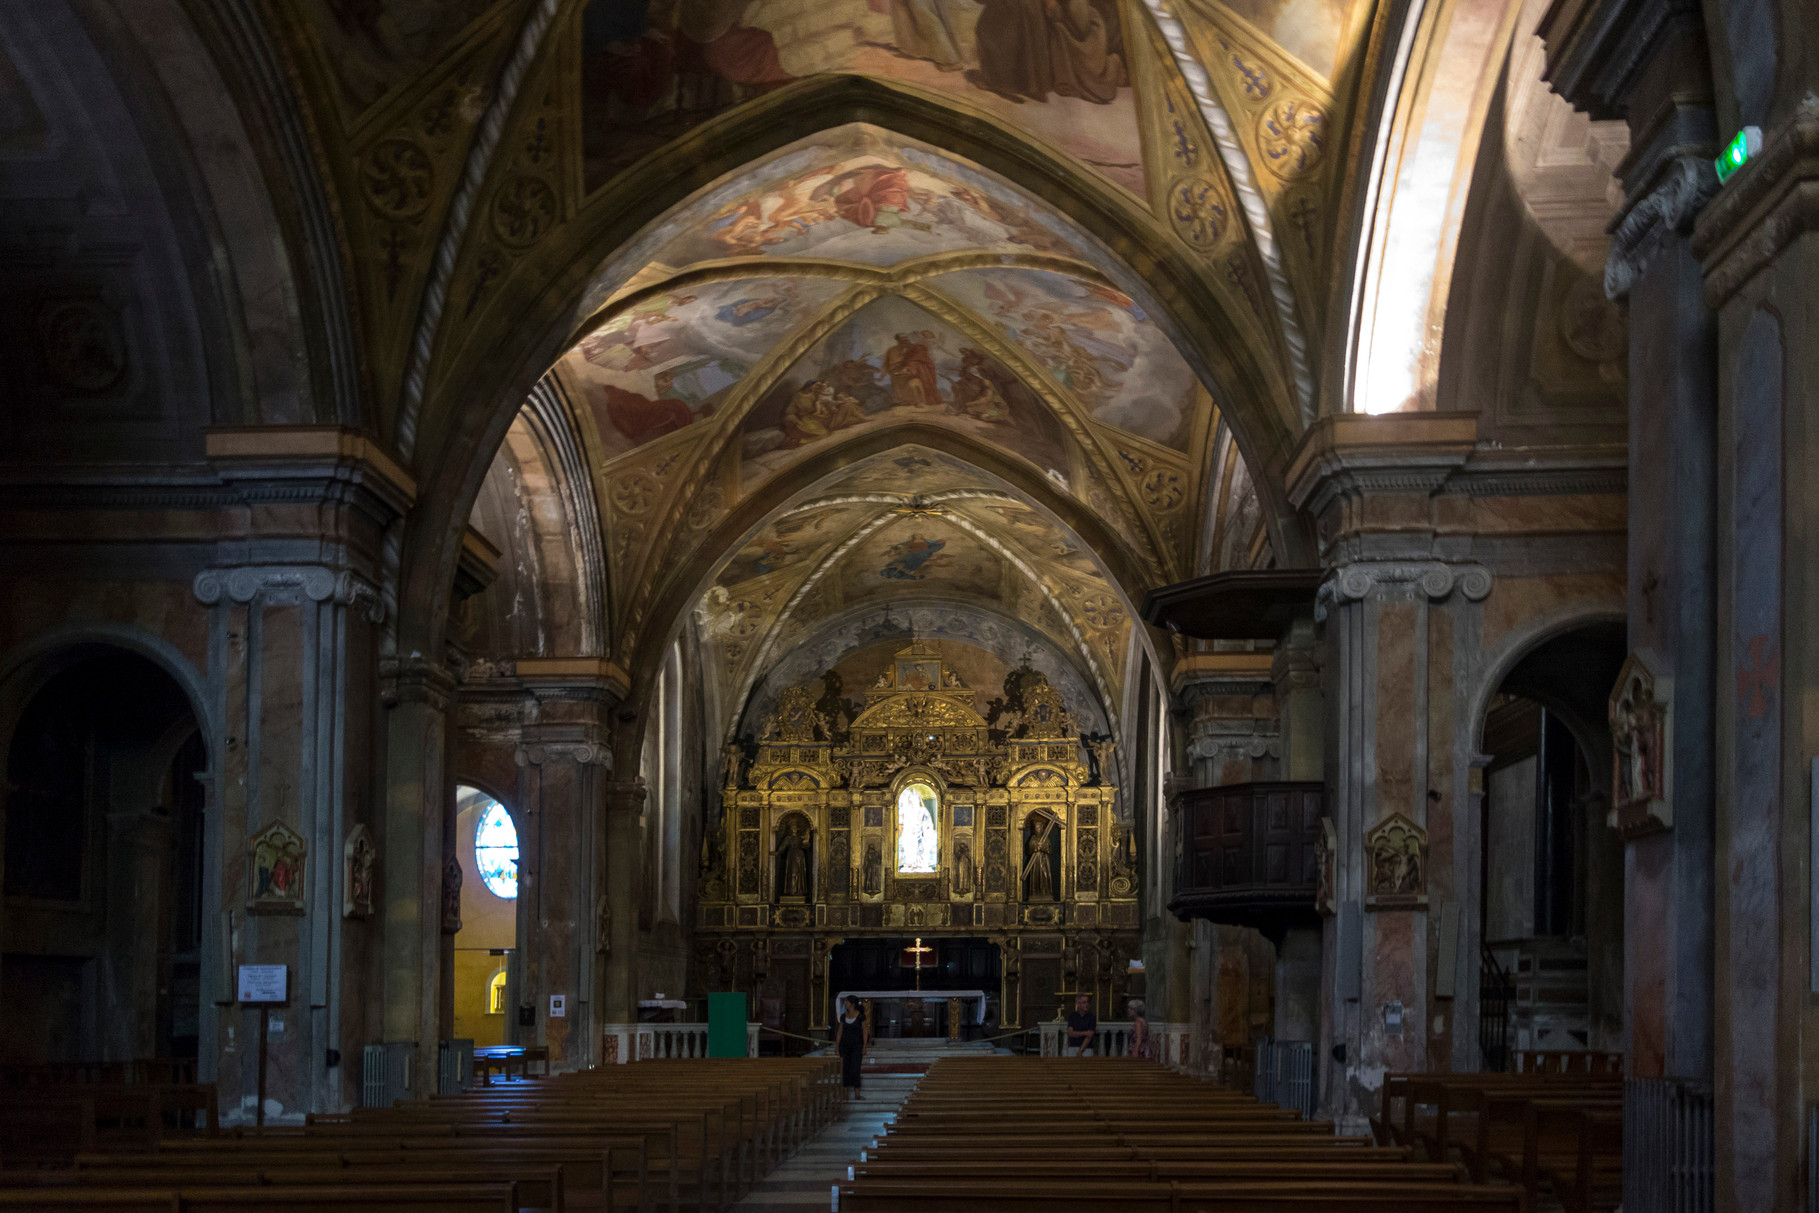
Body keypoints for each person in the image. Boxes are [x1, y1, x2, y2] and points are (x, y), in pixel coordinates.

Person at [835, 995, 869, 1100]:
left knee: (855, 1068)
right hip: (844, 1046)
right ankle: (845, 1094)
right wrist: (837, 1045)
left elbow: (865, 1031)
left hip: (856, 1046)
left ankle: (857, 1093)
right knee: (845, 1068)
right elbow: (840, 1031)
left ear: (852, 1004)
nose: (845, 1004)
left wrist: (864, 1046)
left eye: (847, 1002)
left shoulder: (860, 1016)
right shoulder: (843, 1016)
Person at [1065, 992, 1096, 1057]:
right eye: (1084, 1002)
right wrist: (1085, 1033)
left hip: (1087, 1049)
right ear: (1078, 1004)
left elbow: (1090, 1035)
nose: (1087, 1004)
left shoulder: (1091, 1017)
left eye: (1087, 1002)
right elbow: (1071, 1033)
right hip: (1073, 1047)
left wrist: (1081, 1050)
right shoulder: (1072, 1016)